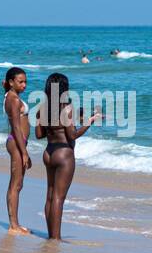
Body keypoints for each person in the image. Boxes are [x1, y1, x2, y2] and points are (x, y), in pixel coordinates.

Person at [35, 72, 102, 240]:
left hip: (49, 153)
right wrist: (90, 121)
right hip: (64, 153)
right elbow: (72, 135)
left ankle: (51, 235)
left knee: (50, 195)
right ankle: (55, 238)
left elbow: (38, 134)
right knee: (59, 197)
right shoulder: (67, 108)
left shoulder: (42, 108)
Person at [2, 67, 32, 235]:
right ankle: (14, 225)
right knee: (16, 184)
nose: (24, 85)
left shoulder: (11, 96)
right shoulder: (13, 100)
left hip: (18, 143)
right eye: (21, 82)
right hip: (16, 143)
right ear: (12, 82)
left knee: (17, 184)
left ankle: (15, 223)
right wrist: (24, 152)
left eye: (25, 81)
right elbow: (15, 126)